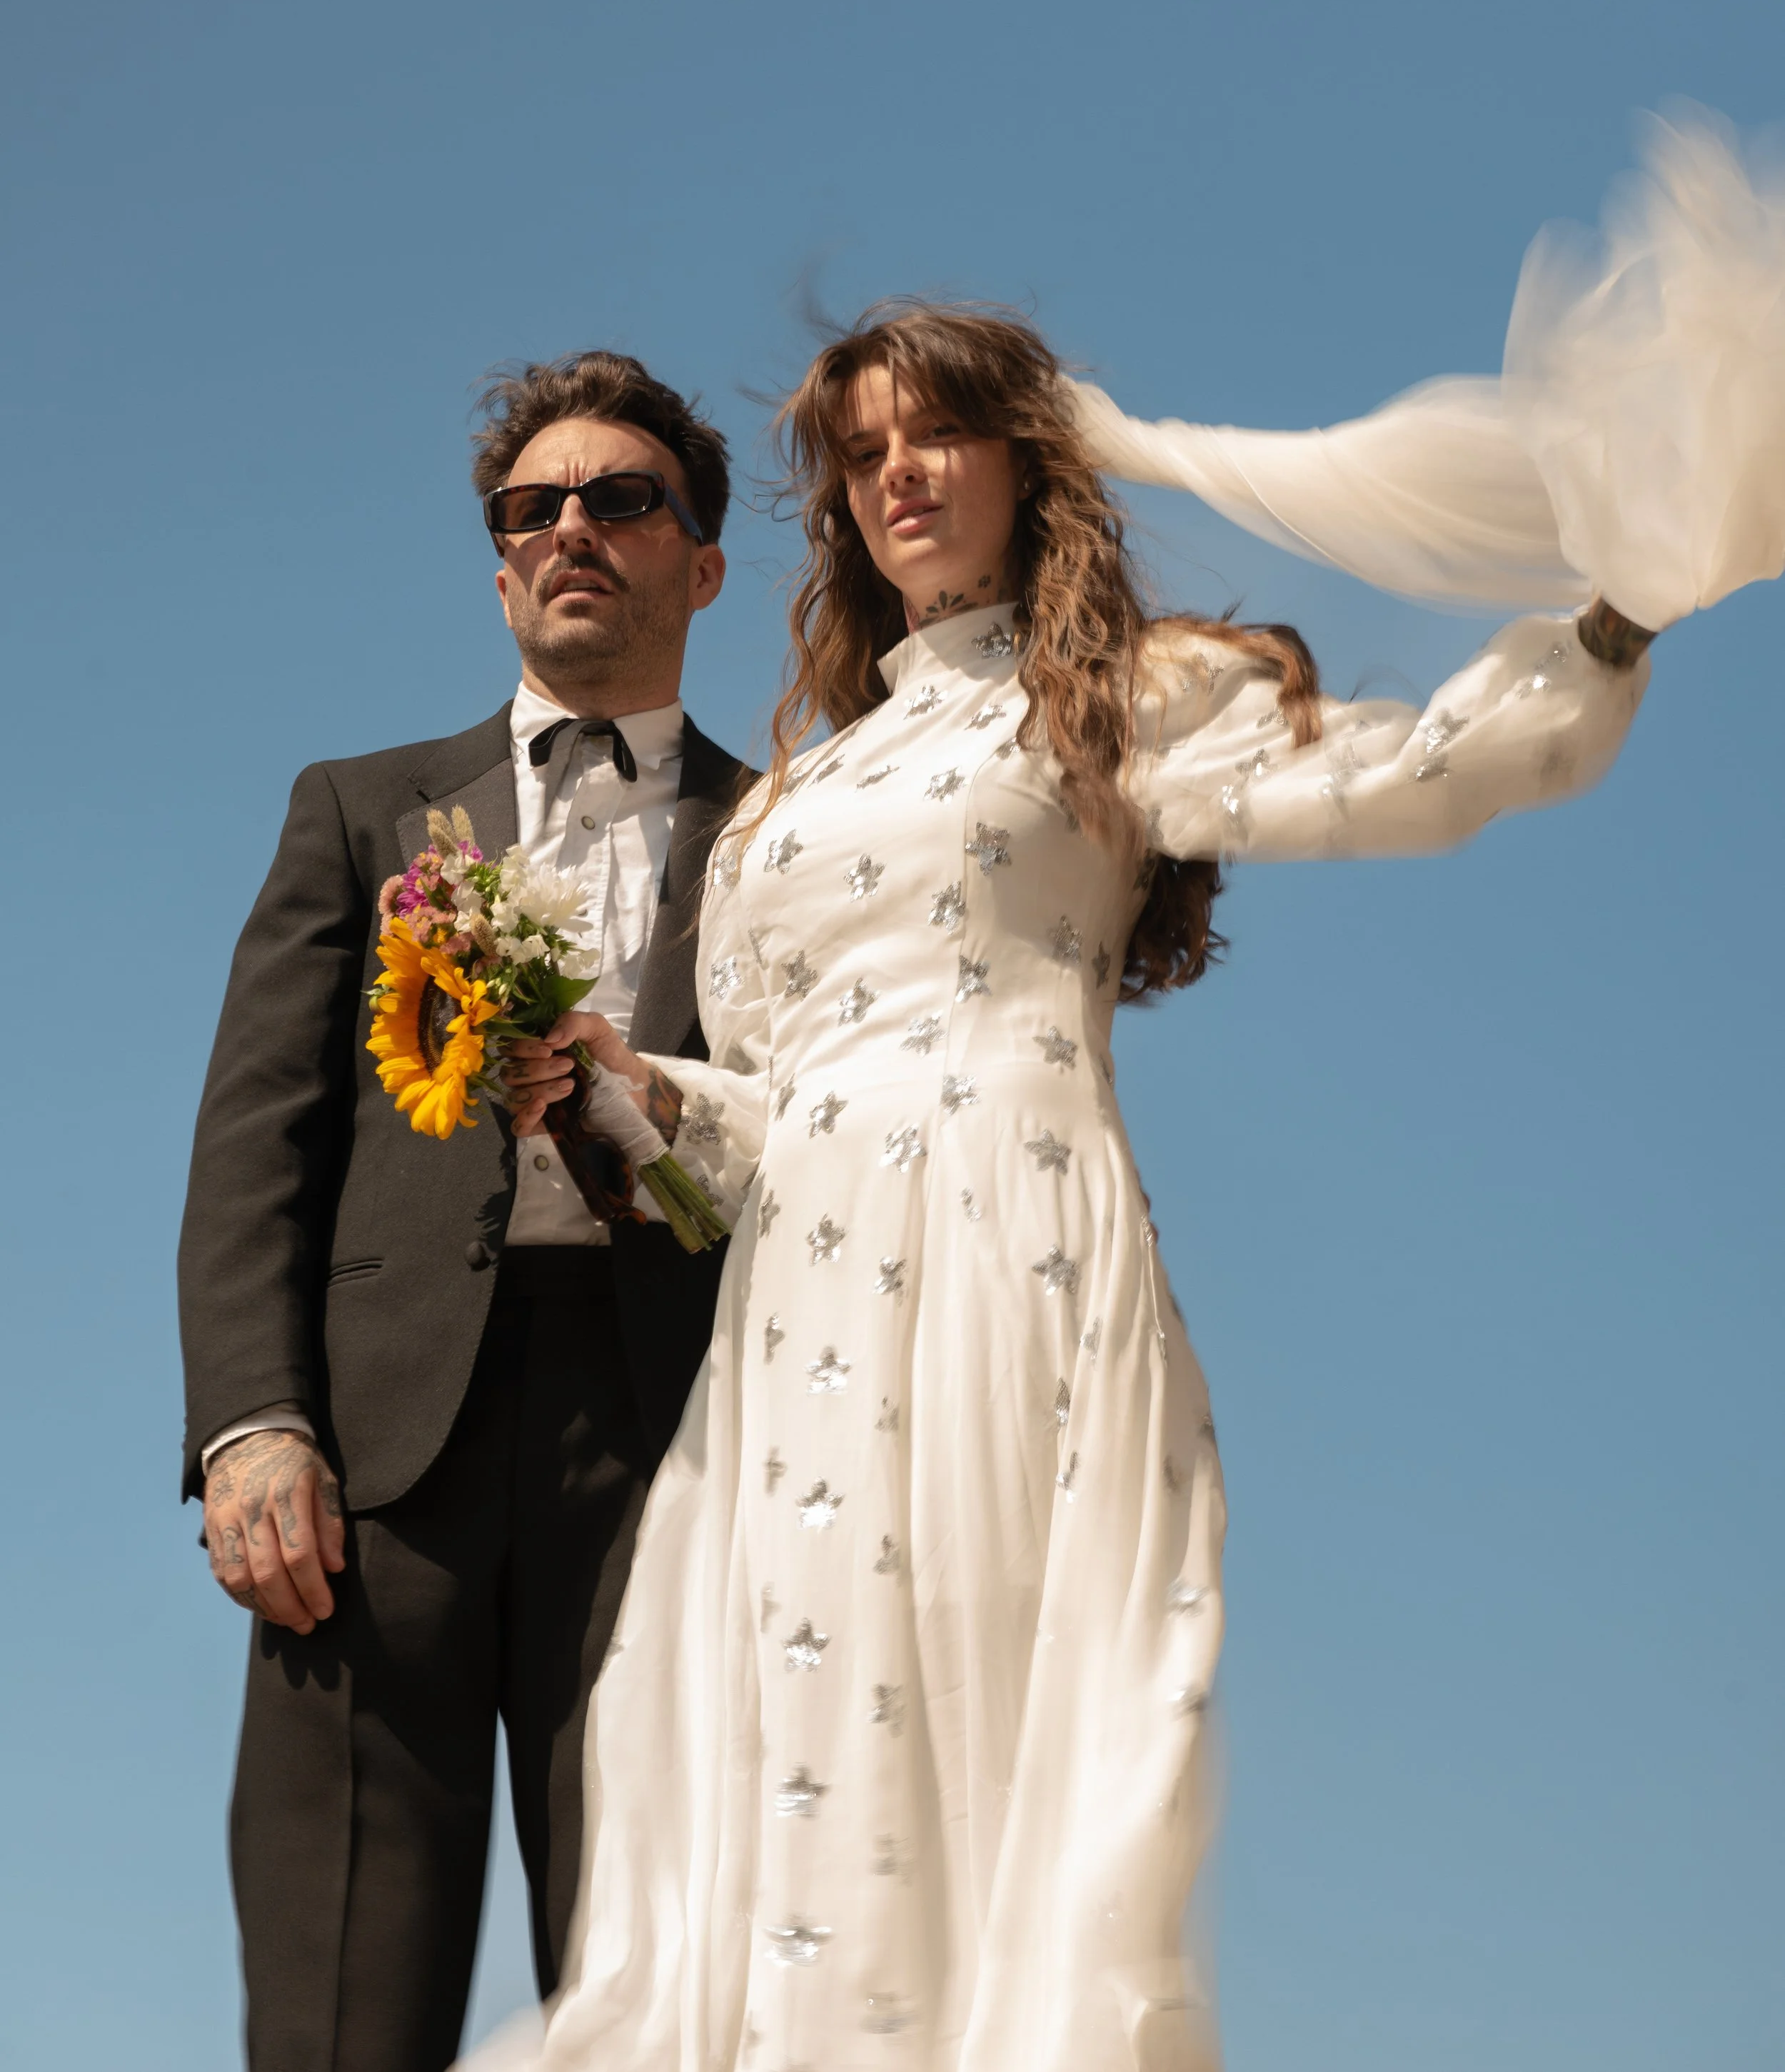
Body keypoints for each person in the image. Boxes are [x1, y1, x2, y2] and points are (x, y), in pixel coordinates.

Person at [492, 301, 1659, 2072]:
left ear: (1030, 461)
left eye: (933, 433)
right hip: (797, 1301)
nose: (896, 473)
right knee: (788, 1749)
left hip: (1001, 1242)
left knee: (976, 1723)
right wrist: (625, 1087)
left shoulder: (1120, 695)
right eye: (863, 451)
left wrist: (1609, 620)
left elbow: (1393, 774)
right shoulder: (790, 795)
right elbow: (765, 1120)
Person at [178, 351, 752, 2072]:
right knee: (339, 1999)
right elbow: (254, 1142)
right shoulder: (358, 813)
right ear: (499, 567)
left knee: (662, 1995)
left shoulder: (791, 830)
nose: (571, 527)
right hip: (368, 1467)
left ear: (703, 564)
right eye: (532, 509)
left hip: (673, 1455)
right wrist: (250, 1427)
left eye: (622, 499)